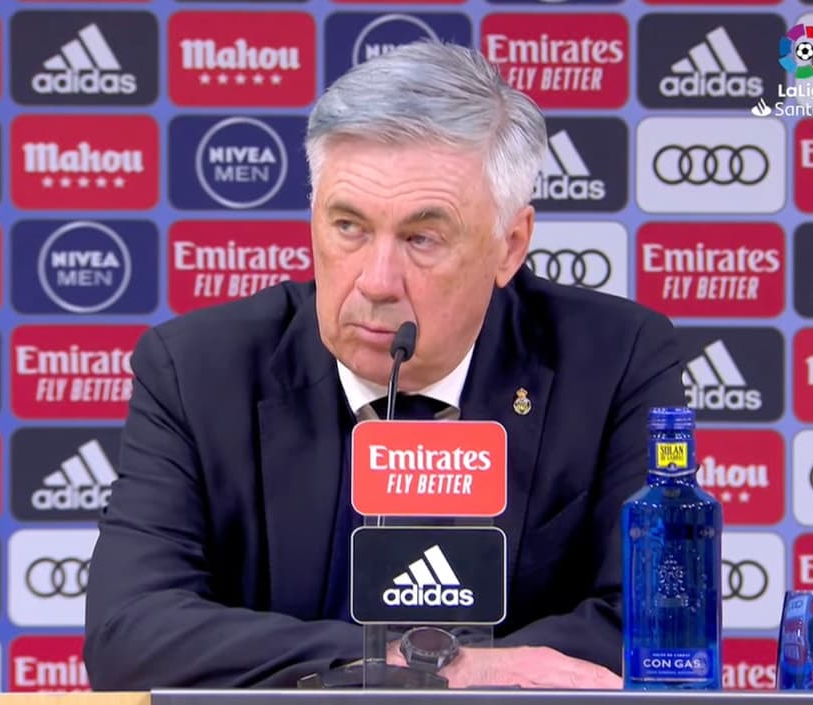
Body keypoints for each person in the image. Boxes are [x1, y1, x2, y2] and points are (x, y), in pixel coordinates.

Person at [84, 40, 685, 690]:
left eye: (422, 238)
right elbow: (129, 631)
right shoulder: (199, 371)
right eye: (349, 226)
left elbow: (662, 623)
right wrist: (432, 666)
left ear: (509, 247)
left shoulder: (616, 360)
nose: (375, 281)